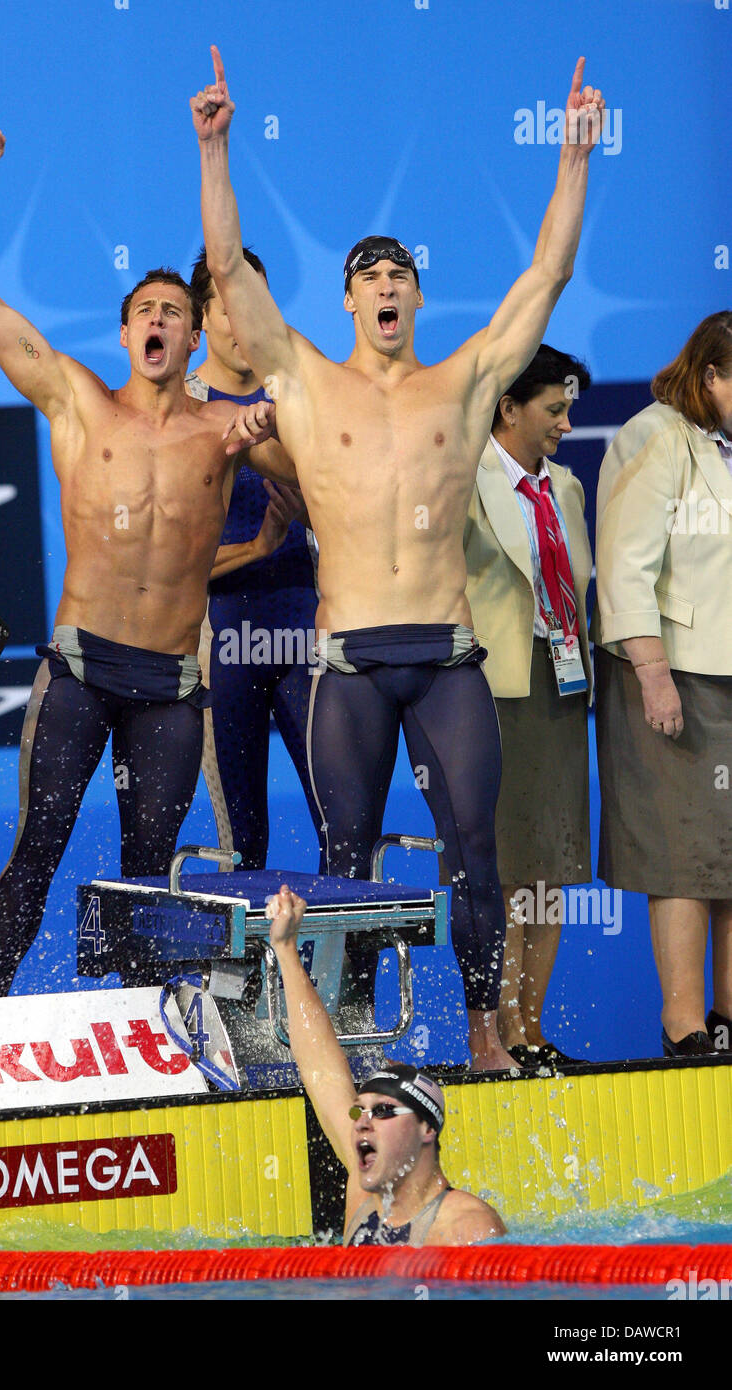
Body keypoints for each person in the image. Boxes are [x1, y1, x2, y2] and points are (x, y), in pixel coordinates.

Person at [191, 47, 604, 1070]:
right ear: (344, 304)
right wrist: (213, 147)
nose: (384, 286)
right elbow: (232, 270)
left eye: (399, 275)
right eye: (367, 277)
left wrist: (575, 158)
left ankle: (479, 1030)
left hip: (450, 659)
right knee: (345, 863)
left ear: (415, 300)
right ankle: (354, 1045)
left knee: (476, 852)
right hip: (351, 664)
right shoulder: (302, 381)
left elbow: (544, 276)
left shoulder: (463, 386)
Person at [0, 126, 290, 997]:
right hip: (81, 668)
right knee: (42, 843)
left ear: (190, 342)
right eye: (144, 309)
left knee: (147, 870)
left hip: (170, 688)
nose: (157, 320)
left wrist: (272, 429)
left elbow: (317, 476)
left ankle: (131, 1028)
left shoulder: (225, 430)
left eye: (174, 313)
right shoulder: (76, 401)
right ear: (124, 332)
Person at [593, 310, 732, 1058]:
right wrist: (652, 674)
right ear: (710, 376)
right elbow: (622, 567)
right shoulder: (655, 435)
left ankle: (728, 1022)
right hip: (672, 674)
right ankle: (683, 1026)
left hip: (727, 671)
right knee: (682, 858)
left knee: (731, 858)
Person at [462, 346, 593, 1068]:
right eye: (553, 409)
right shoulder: (465, 480)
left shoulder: (566, 487)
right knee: (508, 869)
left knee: (552, 869)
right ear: (507, 409)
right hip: (492, 690)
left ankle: (533, 1030)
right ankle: (501, 1028)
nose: (566, 424)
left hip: (561, 688)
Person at [266, 884, 506, 1245]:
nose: (362, 1123)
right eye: (360, 1111)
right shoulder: (366, 1201)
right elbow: (322, 1071)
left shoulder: (466, 1228)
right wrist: (285, 949)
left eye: (383, 1112)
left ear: (427, 1129)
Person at [186, 247, 323, 869]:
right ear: (202, 319)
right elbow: (167, 563)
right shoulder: (180, 409)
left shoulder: (304, 395)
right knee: (238, 847)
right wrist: (259, 546)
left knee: (342, 830)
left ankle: (335, 971)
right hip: (222, 642)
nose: (244, 319)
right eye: (229, 304)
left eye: (256, 302)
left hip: (306, 634)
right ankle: (240, 973)